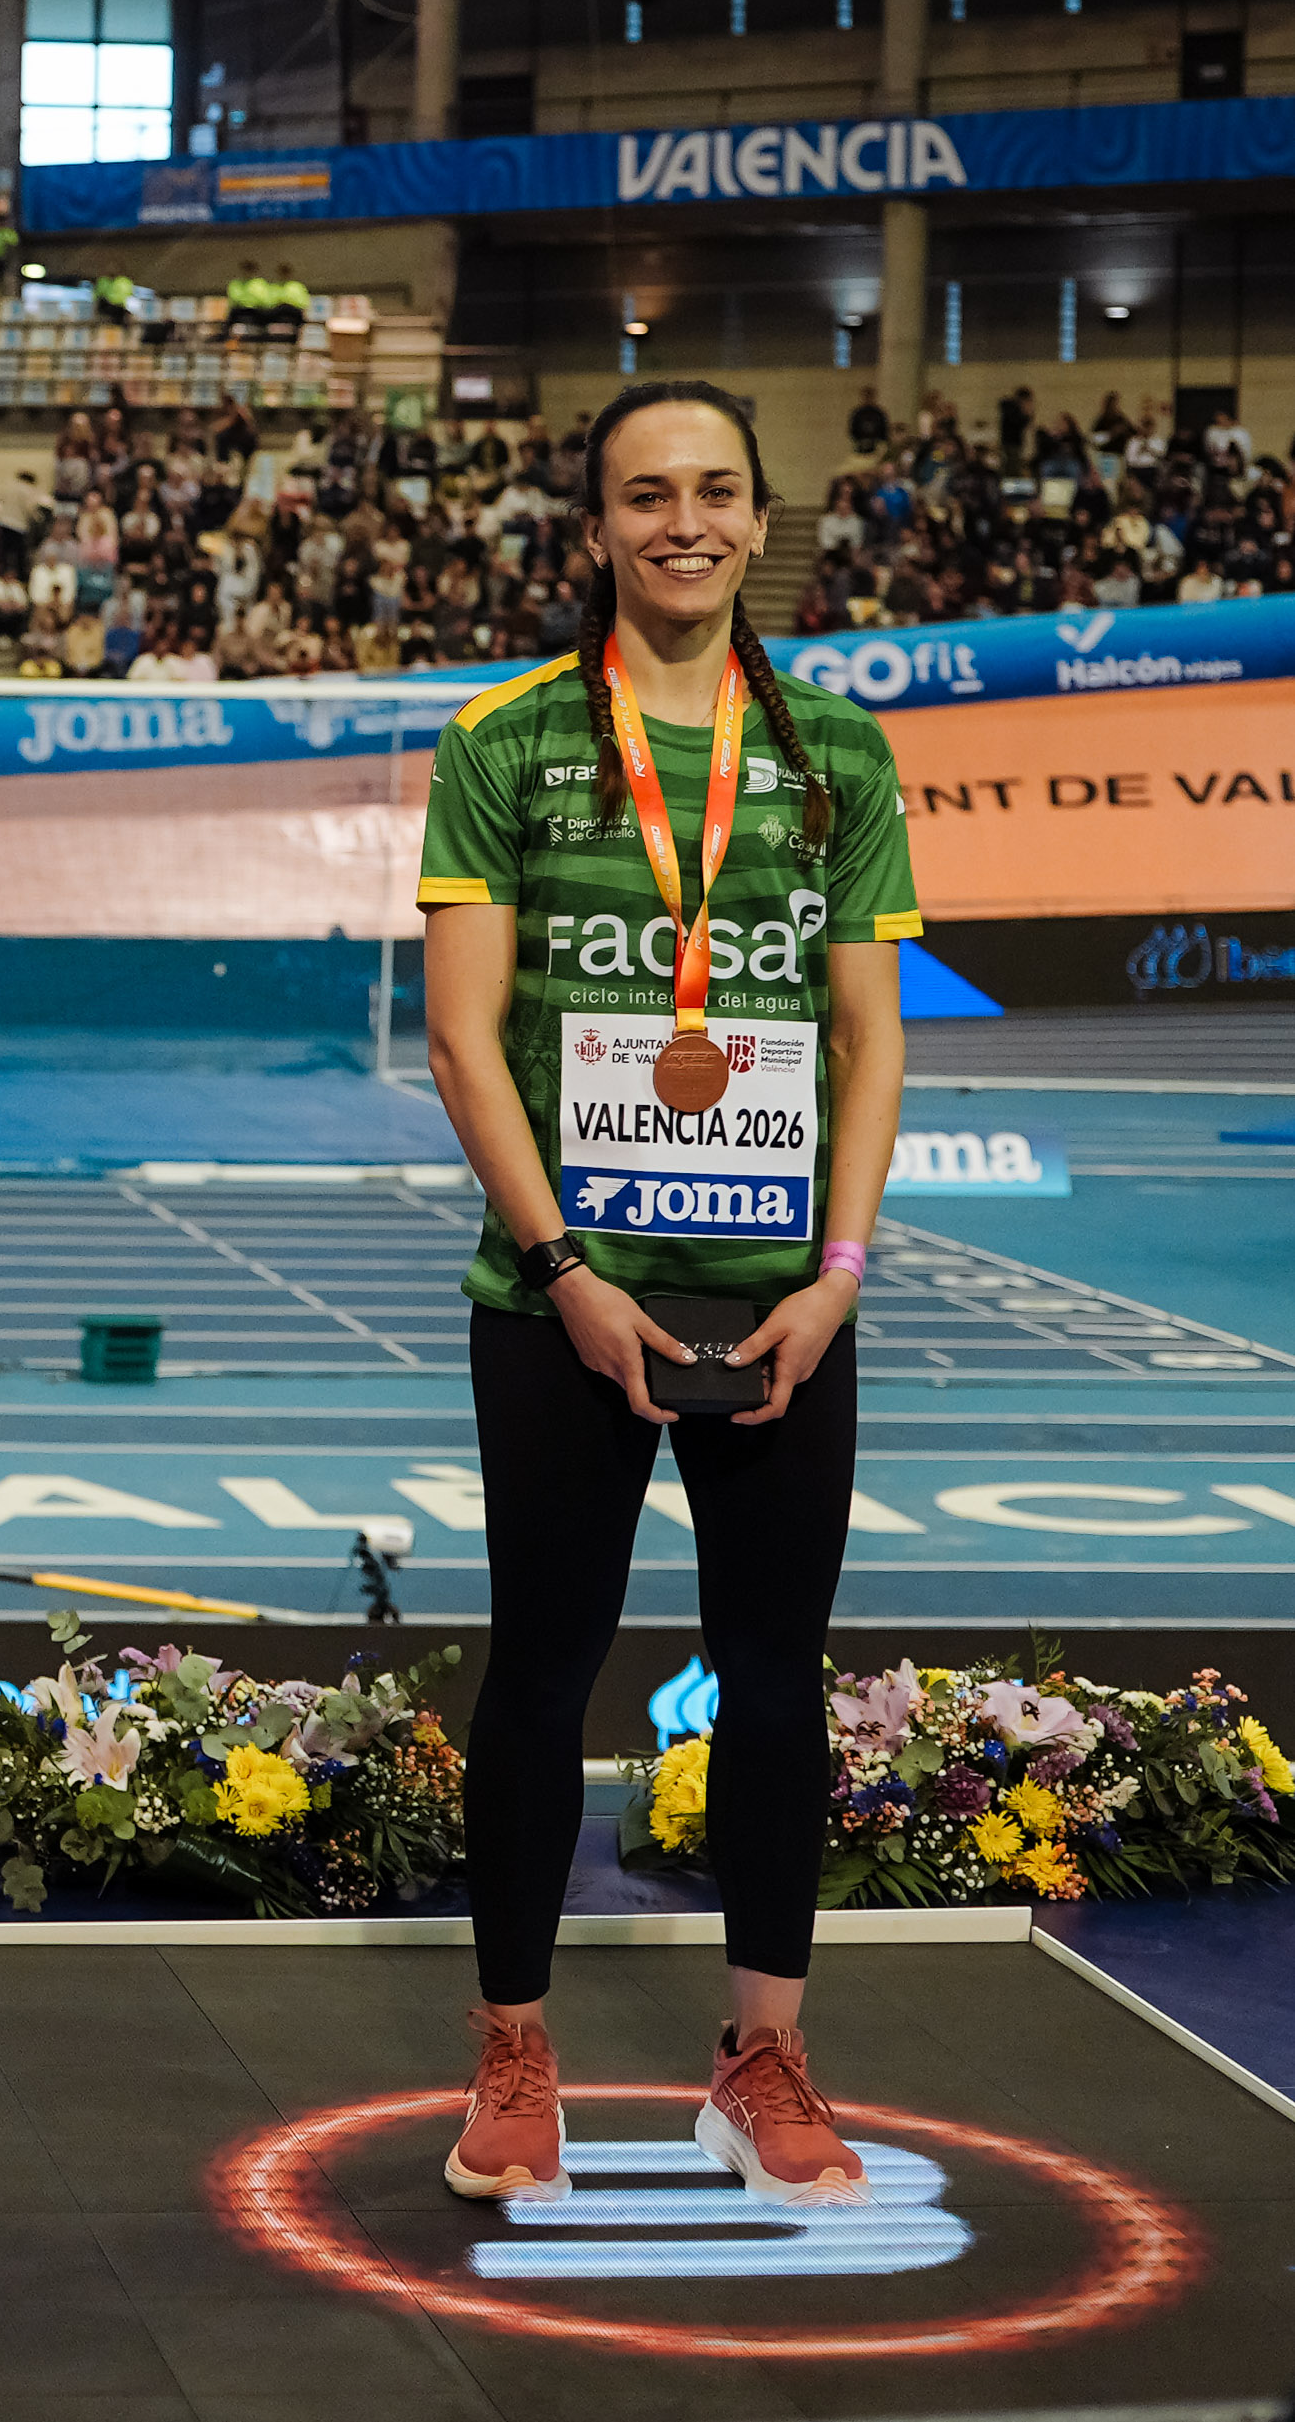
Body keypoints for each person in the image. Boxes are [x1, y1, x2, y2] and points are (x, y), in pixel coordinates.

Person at [416, 377, 917, 2215]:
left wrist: (837, 1278)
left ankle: (760, 2060)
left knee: (775, 1680)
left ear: (759, 517)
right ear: (596, 527)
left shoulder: (838, 752)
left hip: (777, 1304)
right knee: (541, 1671)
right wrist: (565, 1269)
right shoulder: (506, 737)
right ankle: (513, 2052)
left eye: (713, 491)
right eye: (645, 494)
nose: (681, 522)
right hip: (563, 1301)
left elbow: (866, 1038)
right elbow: (463, 1037)